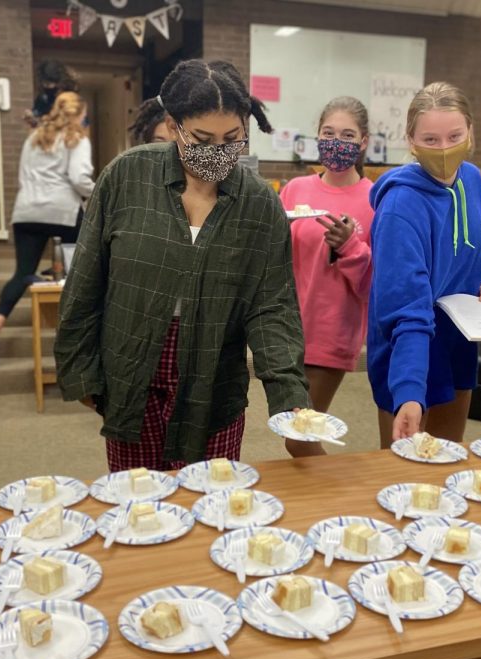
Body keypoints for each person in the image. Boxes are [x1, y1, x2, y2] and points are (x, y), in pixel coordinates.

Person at [54, 59, 310, 471]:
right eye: (203, 138)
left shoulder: (260, 204)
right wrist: (81, 370)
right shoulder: (127, 176)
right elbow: (86, 279)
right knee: (139, 504)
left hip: (214, 376)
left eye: (232, 138)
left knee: (214, 504)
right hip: (134, 364)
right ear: (173, 127)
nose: (218, 152)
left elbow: (272, 308)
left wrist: (290, 399)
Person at [368, 82, 481, 449]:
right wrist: (408, 390)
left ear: (471, 132)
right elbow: (406, 306)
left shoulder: (472, 178)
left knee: (448, 456)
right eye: (431, 140)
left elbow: (475, 245)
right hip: (411, 339)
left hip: (459, 333)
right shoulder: (400, 206)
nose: (444, 149)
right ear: (411, 140)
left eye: (454, 136)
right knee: (404, 469)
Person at [279, 97, 373, 456]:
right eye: (328, 133)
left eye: (347, 135)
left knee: (299, 438)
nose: (337, 142)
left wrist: (349, 246)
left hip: (333, 329)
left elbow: (369, 285)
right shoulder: (295, 190)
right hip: (287, 329)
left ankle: (338, 503)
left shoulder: (373, 198)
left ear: (363, 142)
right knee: (294, 431)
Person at [0, 92, 94, 367]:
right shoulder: (77, 138)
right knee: (80, 269)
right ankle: (75, 338)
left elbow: (22, 176)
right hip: (62, 210)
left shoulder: (33, 137)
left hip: (27, 210)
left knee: (21, 272)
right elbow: (79, 178)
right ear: (78, 114)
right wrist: (98, 192)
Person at [24, 60, 79, 127]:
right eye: (43, 83)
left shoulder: (69, 99)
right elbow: (37, 115)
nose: (45, 86)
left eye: (48, 84)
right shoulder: (43, 98)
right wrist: (32, 118)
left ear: (58, 83)